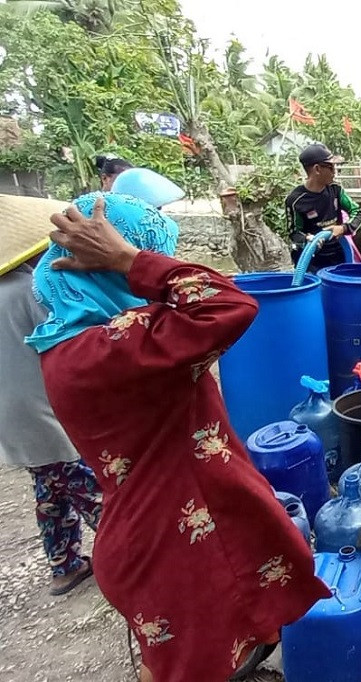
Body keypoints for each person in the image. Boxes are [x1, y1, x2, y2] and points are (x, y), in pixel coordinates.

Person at [29, 193, 330, 682]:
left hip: (168, 531)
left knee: (189, 658)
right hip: (179, 550)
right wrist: (131, 259)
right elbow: (230, 304)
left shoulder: (72, 344)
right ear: (98, 263)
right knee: (194, 665)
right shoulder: (119, 345)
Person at [1, 199, 102, 595]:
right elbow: (64, 340)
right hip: (42, 409)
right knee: (90, 489)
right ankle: (137, 559)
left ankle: (65, 565)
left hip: (12, 414)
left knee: (48, 487)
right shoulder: (30, 289)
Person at [284, 143, 361, 270]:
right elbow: (294, 233)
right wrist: (307, 239)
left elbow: (358, 212)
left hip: (337, 253)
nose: (335, 172)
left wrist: (343, 228)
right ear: (317, 169)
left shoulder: (335, 190)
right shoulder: (295, 200)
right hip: (311, 259)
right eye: (331, 167)